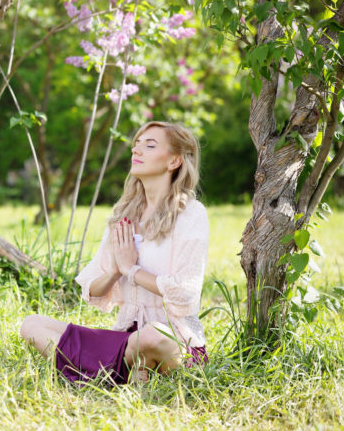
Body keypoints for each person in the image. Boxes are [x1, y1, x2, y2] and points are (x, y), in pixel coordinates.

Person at [20, 121, 209, 384]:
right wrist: (115, 271)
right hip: (124, 339)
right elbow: (93, 288)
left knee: (152, 335)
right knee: (32, 324)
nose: (137, 151)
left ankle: (97, 371)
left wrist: (132, 270)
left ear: (174, 161)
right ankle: (121, 370)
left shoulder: (190, 213)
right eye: (136, 145)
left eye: (149, 145)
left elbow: (185, 293)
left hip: (174, 341)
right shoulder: (124, 215)